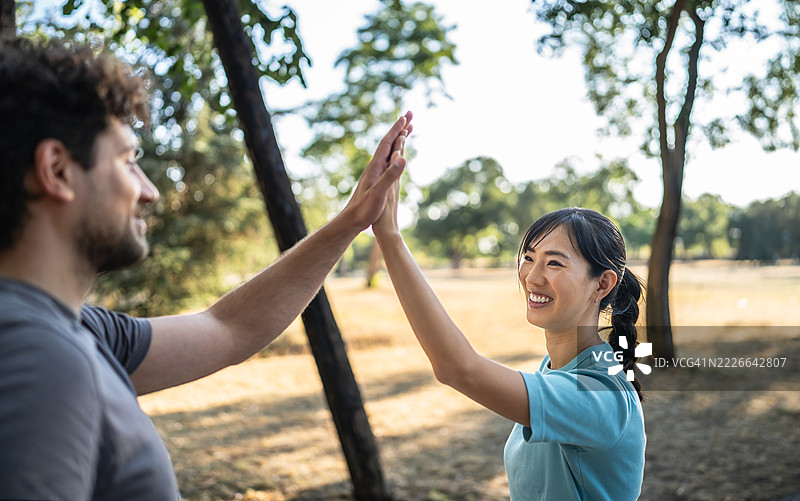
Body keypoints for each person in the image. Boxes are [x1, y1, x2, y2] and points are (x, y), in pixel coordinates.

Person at [0, 37, 411, 500]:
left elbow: (227, 327)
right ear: (56, 170)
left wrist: (352, 221)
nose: (149, 190)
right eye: (127, 161)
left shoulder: (78, 332)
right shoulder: (34, 350)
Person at [373, 176, 647, 499]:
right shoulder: (556, 368)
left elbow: (458, 368)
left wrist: (389, 236)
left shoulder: (601, 394)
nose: (532, 276)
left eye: (554, 263)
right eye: (529, 258)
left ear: (602, 285)